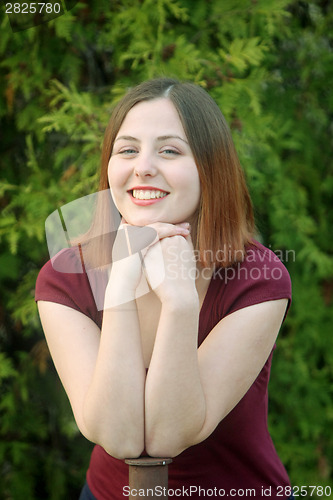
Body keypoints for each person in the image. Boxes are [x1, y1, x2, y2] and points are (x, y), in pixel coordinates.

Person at [35, 77, 293, 500]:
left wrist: (179, 304)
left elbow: (169, 437)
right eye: (128, 149)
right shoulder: (65, 278)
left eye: (170, 150)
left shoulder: (258, 278)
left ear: (210, 168)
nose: (143, 167)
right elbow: (117, 438)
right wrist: (118, 288)